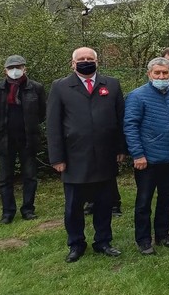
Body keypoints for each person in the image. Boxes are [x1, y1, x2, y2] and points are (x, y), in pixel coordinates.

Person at [47, 47, 126, 262]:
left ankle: (103, 241)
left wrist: (121, 148)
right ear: (73, 63)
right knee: (74, 206)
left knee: (104, 203)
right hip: (74, 157)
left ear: (97, 61)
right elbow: (53, 125)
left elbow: (120, 119)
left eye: (89, 58)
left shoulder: (112, 84)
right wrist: (57, 157)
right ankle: (76, 244)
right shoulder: (60, 86)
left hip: (105, 155)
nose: (85, 61)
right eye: (81, 59)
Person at [124, 57, 169, 255]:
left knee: (167, 198)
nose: (161, 76)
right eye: (157, 73)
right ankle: (143, 240)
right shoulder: (137, 96)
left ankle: (163, 233)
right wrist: (138, 154)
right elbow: (130, 126)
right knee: (144, 201)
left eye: (165, 73)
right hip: (147, 160)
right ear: (149, 74)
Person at [0, 55, 45, 223]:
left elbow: (42, 113)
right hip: (4, 140)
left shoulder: (36, 88)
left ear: (25, 68)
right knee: (5, 178)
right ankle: (7, 212)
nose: (15, 70)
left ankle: (28, 209)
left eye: (18, 67)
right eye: (11, 68)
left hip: (27, 139)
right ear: (5, 70)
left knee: (30, 176)